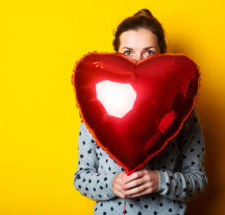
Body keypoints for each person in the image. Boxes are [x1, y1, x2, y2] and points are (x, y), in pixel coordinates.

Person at [73, 8, 208, 215]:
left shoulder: (182, 110)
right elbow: (81, 178)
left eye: (149, 52)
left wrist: (161, 181)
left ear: (162, 56)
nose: (138, 61)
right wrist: (111, 184)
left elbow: (198, 180)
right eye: (128, 52)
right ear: (115, 56)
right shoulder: (94, 109)